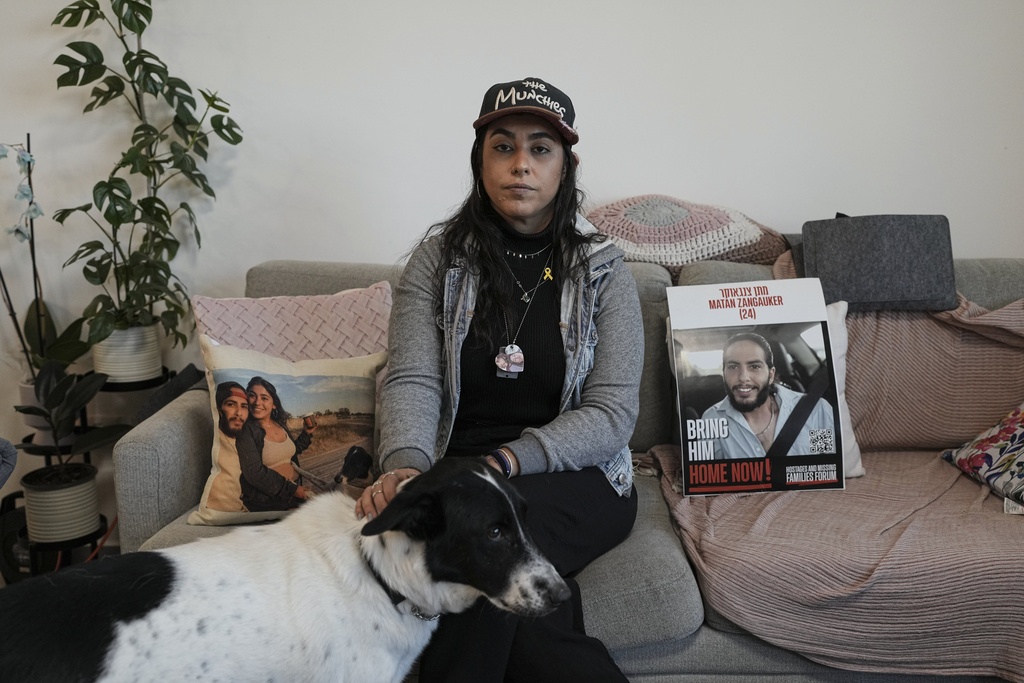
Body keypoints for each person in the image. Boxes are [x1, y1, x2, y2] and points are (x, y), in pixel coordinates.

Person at [355, 77, 643, 683]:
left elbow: (611, 414)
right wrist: (405, 465)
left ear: (565, 166)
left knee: (483, 550)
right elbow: (412, 378)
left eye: (540, 149)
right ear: (479, 161)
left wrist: (506, 463)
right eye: (503, 146)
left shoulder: (603, 270)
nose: (520, 165)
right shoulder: (438, 261)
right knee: (529, 612)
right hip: (460, 468)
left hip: (578, 475)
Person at [702, 332, 835, 459]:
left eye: (754, 366)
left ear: (771, 375)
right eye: (733, 367)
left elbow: (828, 464)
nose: (743, 377)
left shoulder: (815, 411)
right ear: (724, 374)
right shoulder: (712, 419)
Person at [236, 376, 314, 511]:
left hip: (292, 493)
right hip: (268, 501)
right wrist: (293, 490)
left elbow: (291, 452)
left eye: (264, 398)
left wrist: (306, 434)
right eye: (252, 396)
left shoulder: (280, 425)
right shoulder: (246, 430)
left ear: (274, 404)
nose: (257, 402)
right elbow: (254, 472)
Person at [205, 381, 251, 511]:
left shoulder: (243, 440)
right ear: (219, 409)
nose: (239, 413)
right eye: (231, 404)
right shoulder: (219, 443)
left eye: (244, 406)